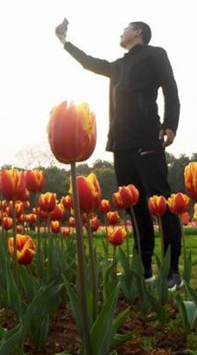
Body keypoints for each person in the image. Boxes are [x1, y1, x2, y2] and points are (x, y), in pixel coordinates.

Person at [55, 19, 184, 290]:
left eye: (125, 28)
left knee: (162, 201)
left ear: (138, 32)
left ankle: (172, 269)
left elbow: (170, 87)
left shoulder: (154, 54)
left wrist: (170, 124)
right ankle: (144, 267)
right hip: (120, 143)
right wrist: (65, 43)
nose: (121, 32)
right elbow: (89, 62)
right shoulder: (118, 66)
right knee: (135, 208)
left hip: (147, 136)